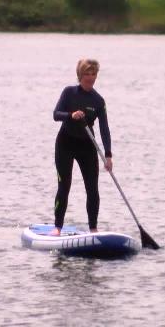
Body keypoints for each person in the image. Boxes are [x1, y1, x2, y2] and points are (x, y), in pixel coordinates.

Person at [50, 59, 113, 236]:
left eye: (93, 74)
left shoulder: (98, 100)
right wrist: (71, 115)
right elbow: (56, 115)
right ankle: (58, 227)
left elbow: (104, 129)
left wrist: (108, 155)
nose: (90, 77)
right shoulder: (69, 93)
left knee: (92, 188)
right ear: (80, 75)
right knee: (64, 185)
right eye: (87, 74)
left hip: (87, 145)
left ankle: (93, 228)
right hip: (65, 143)